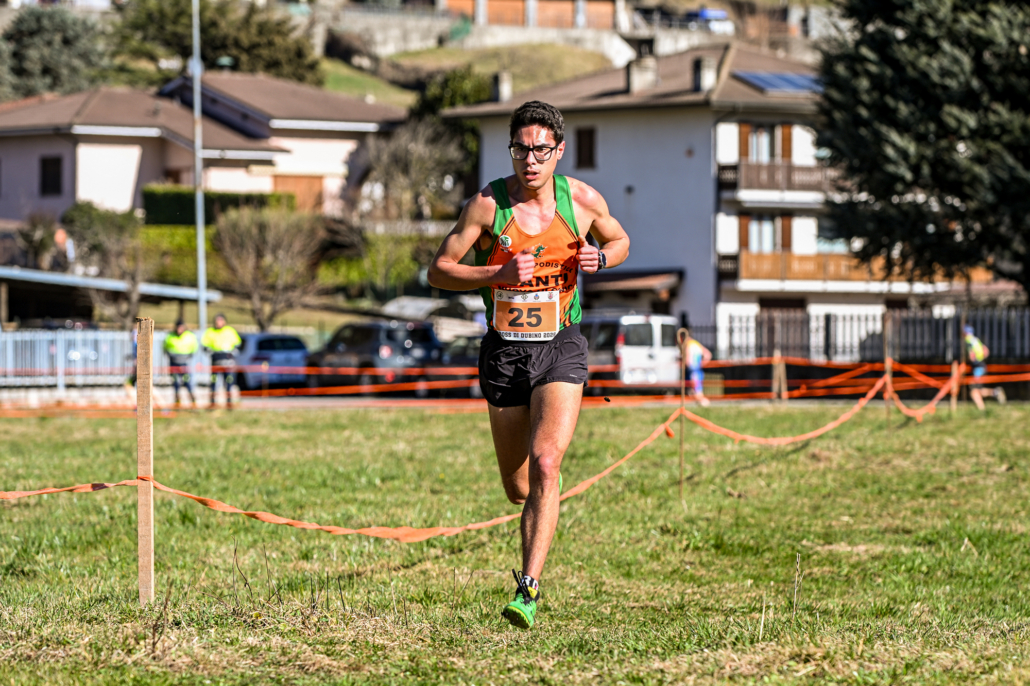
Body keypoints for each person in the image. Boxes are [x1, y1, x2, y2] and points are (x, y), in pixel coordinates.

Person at [428, 100, 630, 630]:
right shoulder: (486, 206)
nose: (530, 160)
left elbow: (620, 240)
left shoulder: (581, 201)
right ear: (511, 151)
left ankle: (528, 590)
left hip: (561, 344)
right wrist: (494, 274)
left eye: (541, 150)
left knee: (546, 464)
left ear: (559, 151)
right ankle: (540, 505)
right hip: (504, 351)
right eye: (521, 149)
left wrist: (602, 258)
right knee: (519, 488)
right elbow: (439, 270)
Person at [202, 314, 242, 409]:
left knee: (228, 382)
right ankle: (212, 403)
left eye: (220, 321)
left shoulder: (230, 331)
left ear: (224, 321)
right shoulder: (210, 332)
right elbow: (204, 345)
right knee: (213, 382)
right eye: (217, 321)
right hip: (215, 362)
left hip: (227, 362)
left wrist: (232, 352)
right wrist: (211, 352)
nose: (218, 323)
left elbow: (238, 344)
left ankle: (229, 403)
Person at [964, 325, 1006, 410]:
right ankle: (995, 392)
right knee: (977, 390)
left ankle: (982, 410)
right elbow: (986, 351)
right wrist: (980, 358)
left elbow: (971, 356)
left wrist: (968, 360)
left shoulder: (968, 340)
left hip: (977, 368)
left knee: (974, 391)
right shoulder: (976, 340)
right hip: (981, 366)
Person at [164, 320, 198, 407]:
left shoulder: (189, 336)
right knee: (176, 383)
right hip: (174, 363)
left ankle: (193, 402)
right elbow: (165, 348)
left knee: (188, 382)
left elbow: (194, 348)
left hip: (185, 364)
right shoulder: (170, 336)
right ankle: (177, 402)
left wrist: (187, 357)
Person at [685, 331, 713, 407]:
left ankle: (705, 403)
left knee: (696, 389)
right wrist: (701, 364)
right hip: (697, 369)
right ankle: (700, 404)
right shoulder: (696, 343)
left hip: (692, 370)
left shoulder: (688, 344)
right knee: (695, 389)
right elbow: (708, 354)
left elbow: (687, 360)